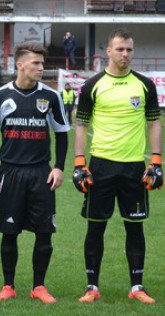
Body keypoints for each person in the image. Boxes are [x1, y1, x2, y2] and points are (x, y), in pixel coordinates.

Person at [74, 29, 161, 304]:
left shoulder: (145, 84)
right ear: (108, 51)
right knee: (95, 228)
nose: (125, 54)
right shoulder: (92, 85)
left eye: (129, 49)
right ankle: (92, 287)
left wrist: (156, 160)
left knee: (135, 228)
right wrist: (79, 164)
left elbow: (154, 123)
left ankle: (137, 287)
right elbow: (81, 125)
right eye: (120, 49)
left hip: (134, 168)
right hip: (100, 167)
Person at [0, 42, 69, 304]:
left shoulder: (51, 97)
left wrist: (59, 167)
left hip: (41, 173)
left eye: (43, 63)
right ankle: (8, 286)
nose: (41, 68)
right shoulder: (0, 96)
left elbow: (62, 133)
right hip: (9, 173)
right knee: (9, 233)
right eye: (36, 63)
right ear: (20, 64)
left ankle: (38, 286)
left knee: (44, 232)